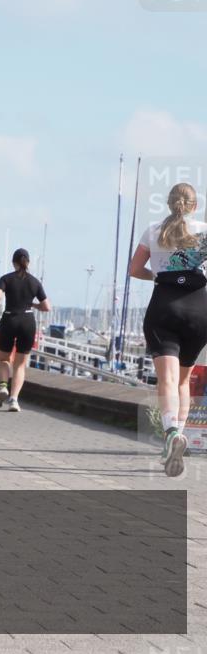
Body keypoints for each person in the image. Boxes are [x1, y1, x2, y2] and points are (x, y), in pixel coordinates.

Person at [127, 182, 207, 478]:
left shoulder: (153, 230)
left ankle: (171, 433)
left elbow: (135, 269)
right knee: (184, 380)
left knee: (167, 380)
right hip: (200, 310)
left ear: (169, 203)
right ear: (194, 206)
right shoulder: (204, 230)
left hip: (164, 305)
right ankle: (179, 436)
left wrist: (160, 276)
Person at [0, 248, 51, 412]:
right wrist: (33, 305)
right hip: (27, 321)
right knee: (20, 364)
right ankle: (14, 400)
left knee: (4, 359)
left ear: (14, 262)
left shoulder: (6, 279)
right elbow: (47, 307)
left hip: (9, 319)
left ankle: (3, 386)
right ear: (28, 262)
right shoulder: (35, 282)